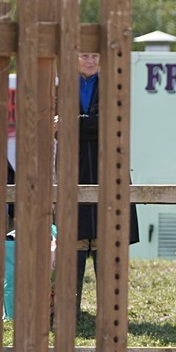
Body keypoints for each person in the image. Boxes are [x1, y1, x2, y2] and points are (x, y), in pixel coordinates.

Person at [74, 52, 140, 320]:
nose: (91, 61)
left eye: (95, 56)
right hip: (73, 169)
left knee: (108, 237)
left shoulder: (114, 86)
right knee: (73, 239)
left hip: (109, 170)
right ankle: (70, 310)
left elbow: (112, 123)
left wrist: (72, 123)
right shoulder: (60, 85)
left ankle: (110, 313)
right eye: (85, 55)